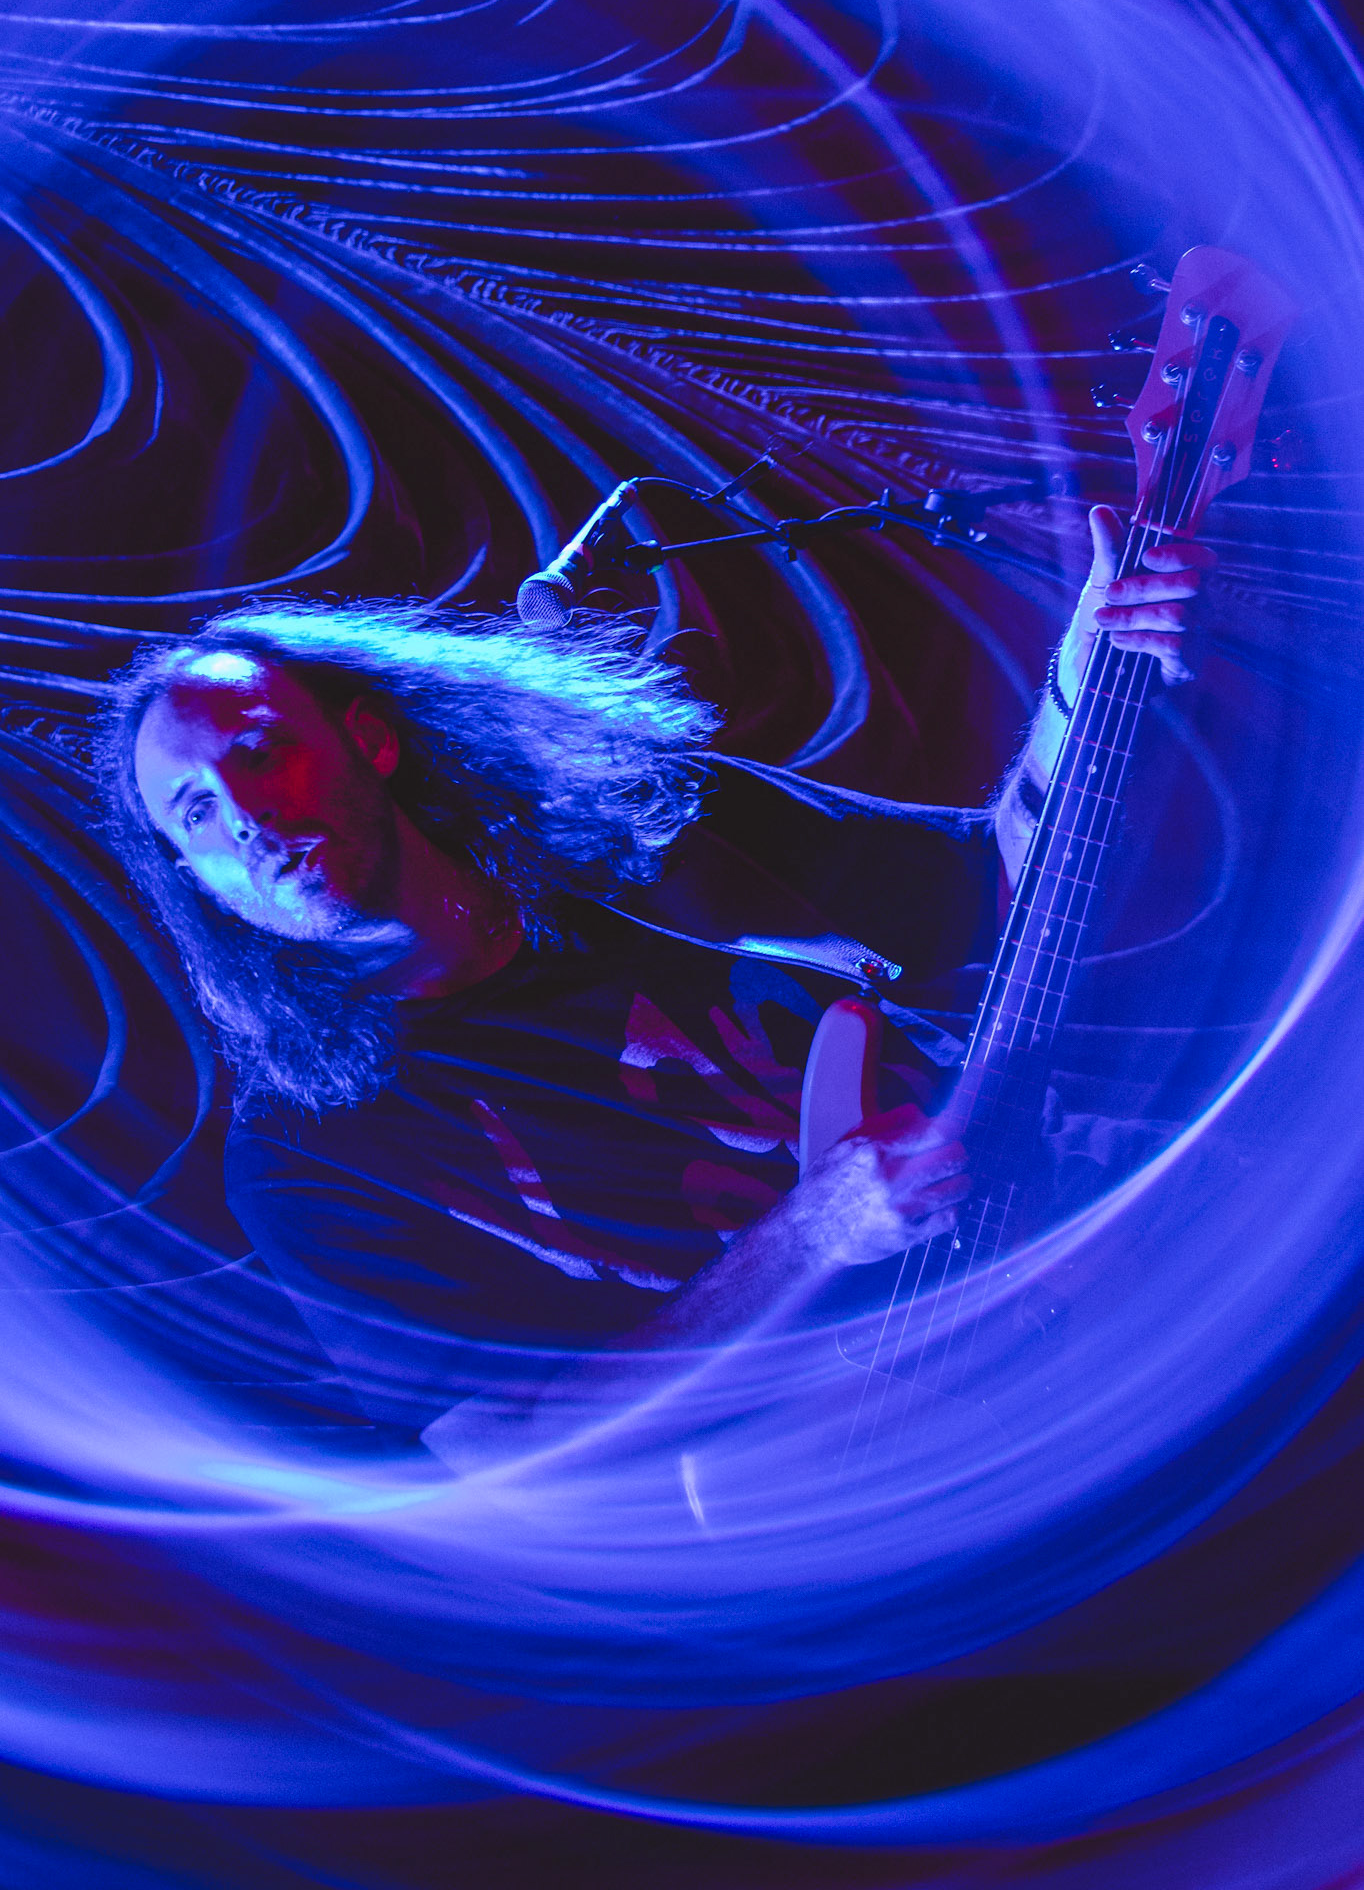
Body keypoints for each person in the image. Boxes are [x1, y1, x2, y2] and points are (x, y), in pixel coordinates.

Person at [95, 506, 1212, 1449]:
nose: (245, 816)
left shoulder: (651, 828)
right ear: (192, 874)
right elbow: (507, 1450)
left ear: (369, 743)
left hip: (1102, 1247)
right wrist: (802, 1241)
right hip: (890, 1456)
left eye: (258, 749)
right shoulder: (310, 1151)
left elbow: (991, 877)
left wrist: (1085, 672)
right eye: (194, 811)